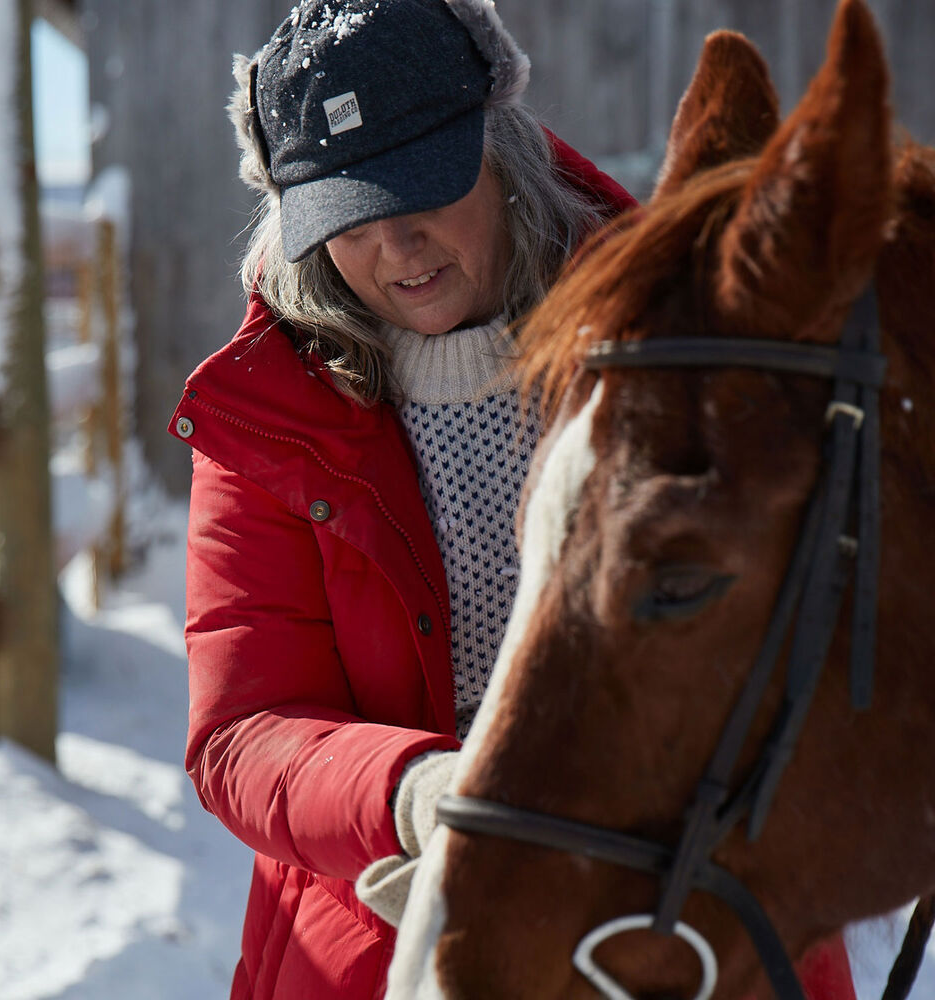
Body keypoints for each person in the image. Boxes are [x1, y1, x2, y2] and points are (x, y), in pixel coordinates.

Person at [169, 2, 856, 998]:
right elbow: (243, 729)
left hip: (696, 898)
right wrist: (414, 791)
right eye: (349, 222)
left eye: (423, 198)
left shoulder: (679, 339)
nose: (398, 249)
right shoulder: (267, 419)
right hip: (389, 917)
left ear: (503, 151)